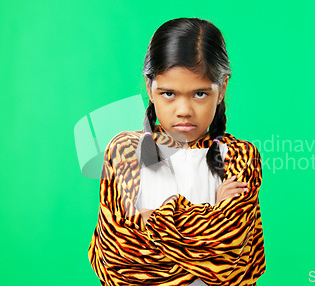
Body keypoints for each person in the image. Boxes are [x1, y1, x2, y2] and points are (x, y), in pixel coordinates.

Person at [88, 17, 266, 286]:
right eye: (169, 93)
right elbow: (116, 258)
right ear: (150, 87)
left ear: (222, 89)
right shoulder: (124, 151)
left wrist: (151, 221)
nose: (184, 110)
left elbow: (227, 259)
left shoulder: (240, 156)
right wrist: (213, 213)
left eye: (200, 94)